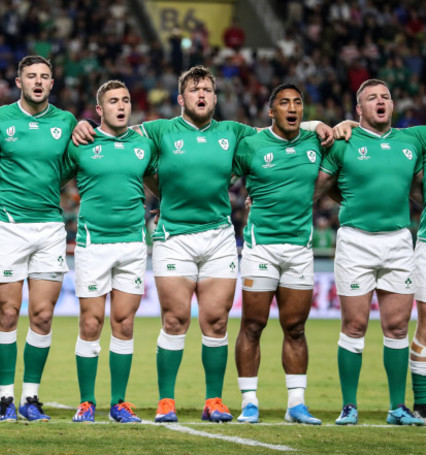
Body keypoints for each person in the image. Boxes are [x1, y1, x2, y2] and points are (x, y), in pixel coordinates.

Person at [72, 66, 333, 423]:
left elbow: (275, 129)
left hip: (219, 238)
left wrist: (314, 125)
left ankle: (214, 400)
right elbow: (116, 134)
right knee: (175, 320)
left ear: (215, 97)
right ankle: (166, 401)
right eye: (195, 90)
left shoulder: (233, 132)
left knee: (216, 322)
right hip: (174, 238)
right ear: (181, 98)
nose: (202, 95)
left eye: (208, 90)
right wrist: (81, 124)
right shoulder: (159, 130)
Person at [318, 78, 424, 426]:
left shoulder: (413, 139)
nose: (380, 101)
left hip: (398, 241)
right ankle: (349, 406)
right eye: (371, 98)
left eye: (386, 97)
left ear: (393, 106)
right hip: (355, 241)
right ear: (358, 109)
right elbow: (316, 188)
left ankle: (397, 407)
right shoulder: (344, 142)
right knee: (355, 324)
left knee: (396, 328)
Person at [0, 55, 77, 421]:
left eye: (45, 77)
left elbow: (69, 166)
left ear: (52, 83)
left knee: (41, 315)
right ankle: (6, 397)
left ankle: (31, 398)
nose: (38, 82)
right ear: (18, 81)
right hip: (8, 226)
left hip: (50, 229)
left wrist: (46, 187)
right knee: (7, 313)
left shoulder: (65, 121)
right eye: (31, 76)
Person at [65, 80, 157, 423]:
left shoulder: (143, 145)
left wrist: (167, 207)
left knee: (124, 323)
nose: (122, 106)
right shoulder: (82, 143)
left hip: (133, 245)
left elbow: (160, 183)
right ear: (99, 110)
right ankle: (87, 402)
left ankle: (119, 403)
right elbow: (50, 179)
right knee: (91, 323)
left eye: (126, 100)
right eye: (113, 101)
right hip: (93, 244)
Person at [232, 83, 324, 425]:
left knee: (296, 328)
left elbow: (348, 140)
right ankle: (249, 402)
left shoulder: (317, 142)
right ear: (271, 112)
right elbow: (219, 178)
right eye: (284, 103)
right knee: (253, 325)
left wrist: (335, 125)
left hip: (300, 249)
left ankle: (296, 404)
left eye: (298, 103)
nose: (292, 108)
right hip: (261, 248)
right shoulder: (252, 145)